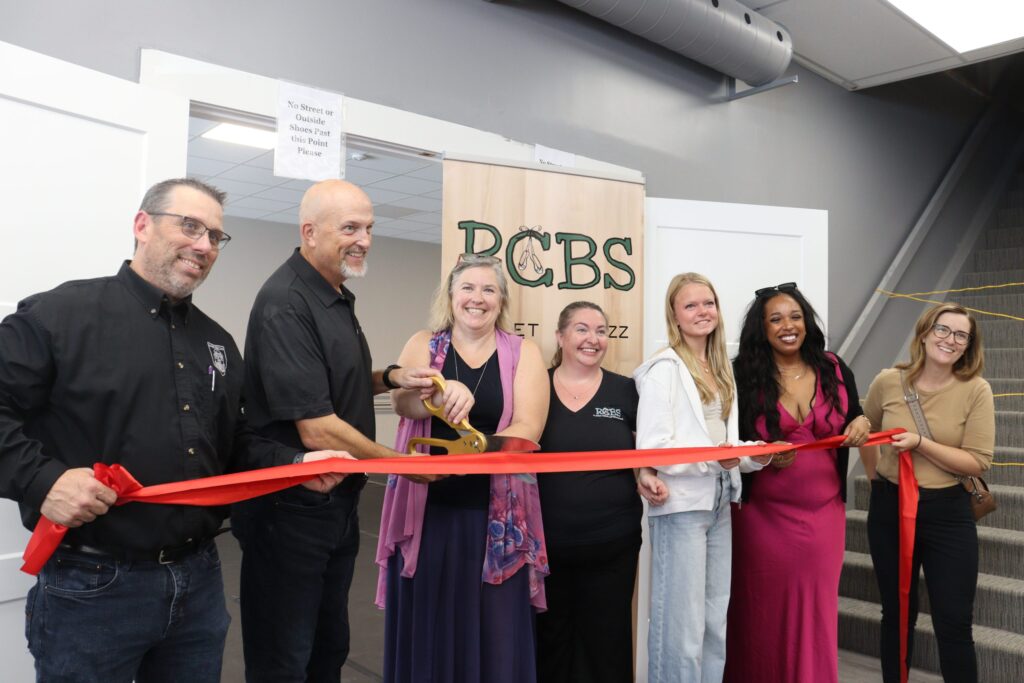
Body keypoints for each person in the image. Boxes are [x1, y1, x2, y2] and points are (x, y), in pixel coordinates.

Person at [0, 178, 350, 683]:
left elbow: (234, 447)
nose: (204, 246)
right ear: (142, 225)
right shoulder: (60, 315)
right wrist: (44, 481)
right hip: (92, 588)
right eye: (190, 226)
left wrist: (296, 466)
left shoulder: (218, 343)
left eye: (215, 237)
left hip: (199, 585)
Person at [232, 179, 438, 683]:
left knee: (329, 648)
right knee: (286, 659)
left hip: (335, 508)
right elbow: (318, 428)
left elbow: (332, 387)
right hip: (290, 513)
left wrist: (389, 377)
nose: (364, 239)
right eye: (350, 227)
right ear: (309, 231)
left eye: (368, 227)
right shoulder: (286, 303)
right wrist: (401, 466)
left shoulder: (335, 294)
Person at [375, 253, 550, 683]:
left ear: (501, 300)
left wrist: (478, 445)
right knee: (429, 631)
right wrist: (436, 392)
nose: (478, 298)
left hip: (498, 525)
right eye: (468, 288)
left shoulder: (524, 352)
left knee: (495, 638)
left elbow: (529, 429)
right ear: (451, 296)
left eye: (489, 289)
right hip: (428, 516)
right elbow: (401, 403)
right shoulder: (424, 344)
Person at [724, 282, 870, 683]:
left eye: (795, 316)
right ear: (762, 328)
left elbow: (856, 414)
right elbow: (727, 444)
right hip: (761, 518)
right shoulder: (741, 375)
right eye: (775, 319)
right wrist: (764, 452)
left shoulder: (834, 367)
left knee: (816, 609)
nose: (787, 326)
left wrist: (862, 422)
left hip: (825, 514)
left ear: (806, 322)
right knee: (759, 610)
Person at [633, 272, 770, 683]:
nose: (701, 311)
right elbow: (655, 450)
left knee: (713, 621)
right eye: (690, 305)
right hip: (680, 508)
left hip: (718, 502)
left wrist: (752, 458)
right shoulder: (664, 370)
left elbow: (722, 443)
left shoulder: (721, 368)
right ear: (674, 316)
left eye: (707, 303)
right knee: (682, 627)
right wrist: (719, 461)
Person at [861, 303, 994, 683]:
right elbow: (865, 430)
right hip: (890, 507)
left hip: (948, 513)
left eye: (960, 335)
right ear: (924, 333)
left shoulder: (976, 390)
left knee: (953, 621)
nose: (949, 340)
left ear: (968, 346)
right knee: (897, 615)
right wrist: (876, 481)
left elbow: (977, 462)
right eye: (942, 330)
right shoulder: (888, 381)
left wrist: (920, 443)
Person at [534, 301, 649, 683]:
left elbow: (647, 450)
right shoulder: (535, 388)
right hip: (547, 548)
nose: (593, 339)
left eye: (601, 331)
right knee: (550, 642)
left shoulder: (626, 391)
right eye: (582, 329)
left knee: (607, 644)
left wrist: (647, 474)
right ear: (561, 336)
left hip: (611, 545)